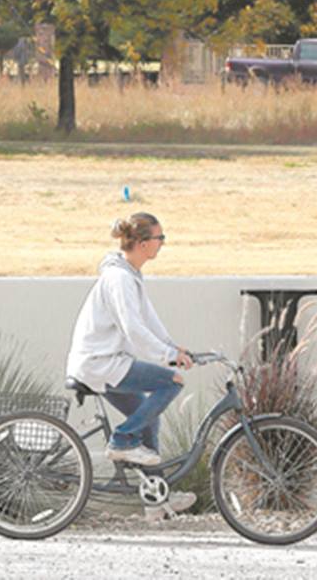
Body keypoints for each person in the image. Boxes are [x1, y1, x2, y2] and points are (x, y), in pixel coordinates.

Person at [65, 212, 196, 517]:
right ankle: (122, 440)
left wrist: (173, 347)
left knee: (148, 418)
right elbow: (132, 329)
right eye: (158, 238)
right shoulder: (119, 279)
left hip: (109, 361)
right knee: (171, 381)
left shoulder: (131, 275)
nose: (162, 243)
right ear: (141, 243)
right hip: (100, 363)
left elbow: (149, 321)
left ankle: (156, 501)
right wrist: (168, 358)